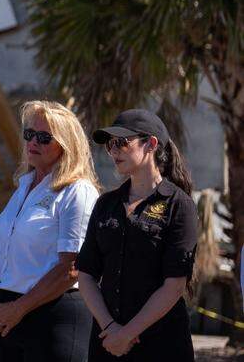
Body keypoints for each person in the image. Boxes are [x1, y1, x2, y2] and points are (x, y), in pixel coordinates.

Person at [0, 100, 100, 361]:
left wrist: (19, 308)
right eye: (29, 134)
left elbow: (72, 267)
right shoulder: (23, 186)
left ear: (66, 145)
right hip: (12, 312)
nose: (33, 142)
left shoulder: (76, 191)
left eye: (45, 137)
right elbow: (7, 254)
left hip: (54, 312)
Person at [77, 110, 198, 361]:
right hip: (107, 342)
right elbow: (87, 274)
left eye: (122, 142)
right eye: (110, 145)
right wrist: (110, 328)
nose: (114, 151)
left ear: (150, 144)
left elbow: (174, 285)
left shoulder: (179, 205)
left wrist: (127, 333)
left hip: (161, 344)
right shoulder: (105, 204)